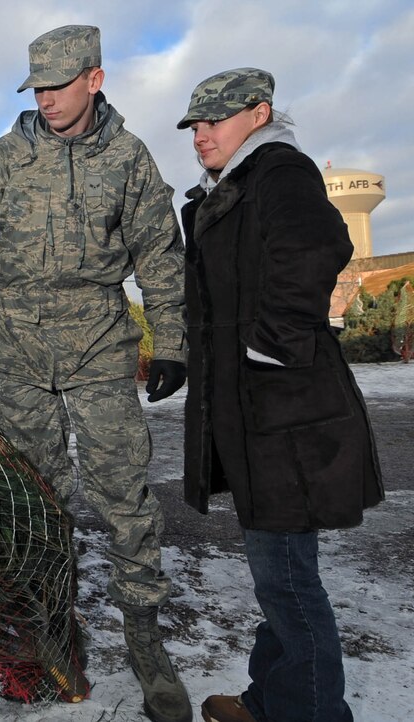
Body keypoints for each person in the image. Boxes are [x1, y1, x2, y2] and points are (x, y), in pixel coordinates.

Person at [0, 25, 191, 722]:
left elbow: (160, 255)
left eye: (59, 85)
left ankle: (147, 646)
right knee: (36, 502)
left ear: (95, 79)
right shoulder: (9, 157)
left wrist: (170, 341)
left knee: (124, 500)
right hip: (19, 353)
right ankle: (51, 633)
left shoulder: (129, 158)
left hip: (98, 348)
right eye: (37, 88)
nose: (46, 99)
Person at [175, 67, 385, 722]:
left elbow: (320, 242)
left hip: (283, 418)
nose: (200, 133)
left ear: (259, 115)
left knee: (290, 586)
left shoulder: (279, 172)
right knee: (280, 581)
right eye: (194, 124)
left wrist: (273, 343)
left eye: (214, 119)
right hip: (254, 416)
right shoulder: (235, 188)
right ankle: (272, 700)